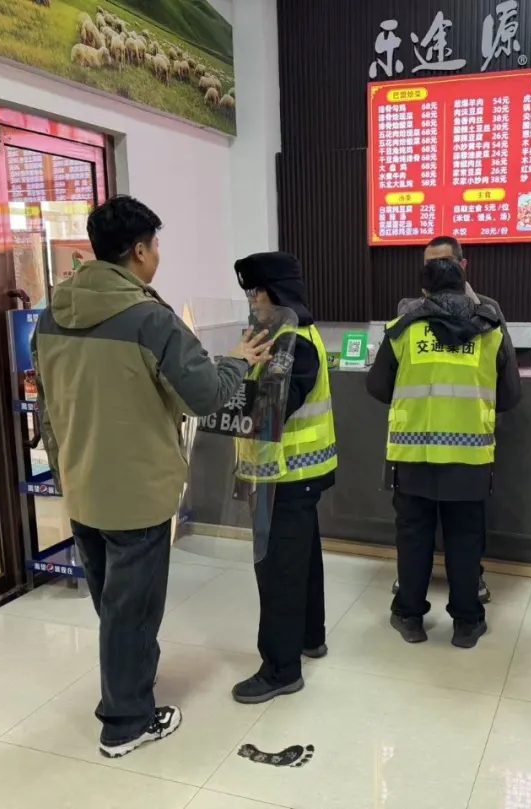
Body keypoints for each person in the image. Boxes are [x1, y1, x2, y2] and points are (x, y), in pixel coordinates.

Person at [31, 195, 271, 759]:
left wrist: (64, 465)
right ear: (139, 251)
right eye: (156, 245)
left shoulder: (51, 313)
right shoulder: (150, 319)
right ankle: (126, 723)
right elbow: (206, 396)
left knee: (113, 605)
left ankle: (129, 683)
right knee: (131, 611)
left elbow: (47, 401)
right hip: (136, 491)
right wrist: (238, 359)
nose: (157, 255)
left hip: (81, 483)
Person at [367, 257, 522, 648]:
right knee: (465, 540)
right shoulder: (490, 331)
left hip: (413, 455)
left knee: (414, 538)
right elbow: (511, 395)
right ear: (464, 285)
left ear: (425, 291)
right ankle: (467, 624)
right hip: (470, 459)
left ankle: (410, 618)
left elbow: (377, 386)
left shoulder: (403, 331)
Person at [229, 251, 338, 704]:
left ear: (274, 293)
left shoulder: (291, 342)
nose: (252, 301)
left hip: (287, 476)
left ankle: (280, 669)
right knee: (302, 561)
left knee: (280, 572)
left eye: (256, 292)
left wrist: (228, 378)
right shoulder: (282, 336)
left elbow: (269, 412)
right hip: (294, 474)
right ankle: (310, 637)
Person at [389, 235, 512, 604]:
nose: (438, 270)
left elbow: (505, 376)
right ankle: (416, 588)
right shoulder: (409, 310)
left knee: (465, 528)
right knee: (417, 526)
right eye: (430, 264)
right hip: (417, 436)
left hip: (469, 435)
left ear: (462, 265)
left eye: (444, 262)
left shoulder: (487, 310)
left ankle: (469, 583)